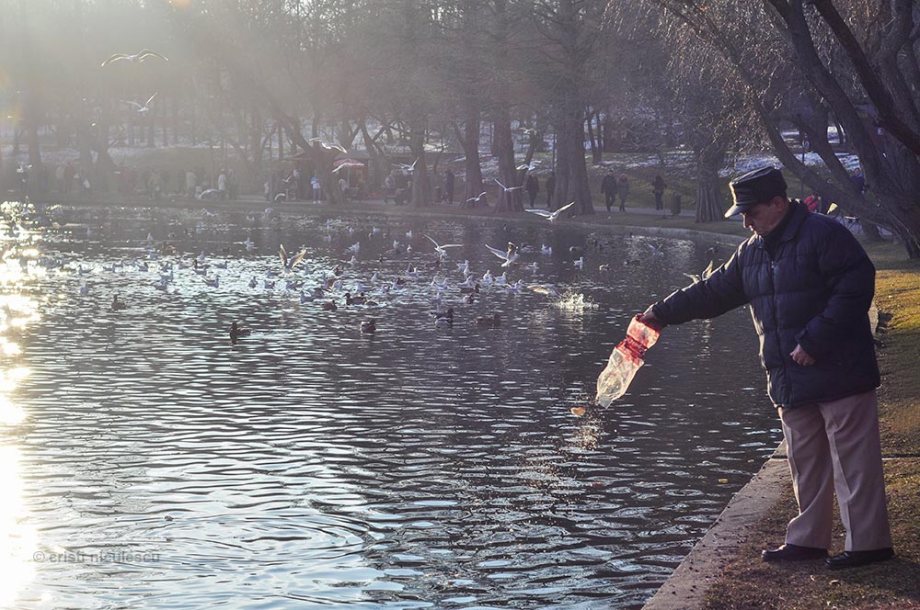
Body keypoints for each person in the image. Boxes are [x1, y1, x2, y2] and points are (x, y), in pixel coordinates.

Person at [639, 166, 893, 570]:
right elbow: (713, 292)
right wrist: (660, 313)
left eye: (751, 211)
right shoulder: (751, 251)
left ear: (778, 203)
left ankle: (868, 546)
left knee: (854, 463)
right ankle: (809, 541)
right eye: (742, 213)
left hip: (840, 370)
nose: (746, 221)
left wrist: (814, 341)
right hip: (789, 377)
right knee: (804, 462)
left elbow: (857, 283)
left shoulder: (824, 234)